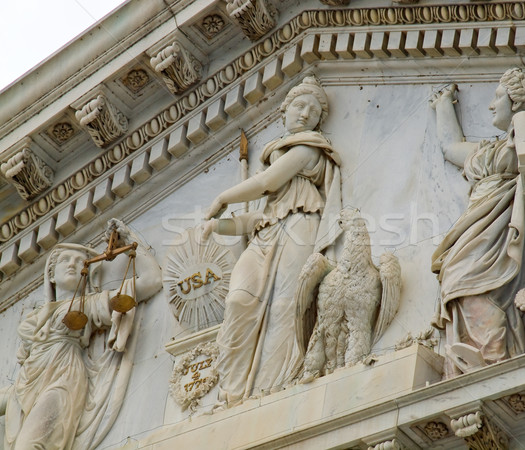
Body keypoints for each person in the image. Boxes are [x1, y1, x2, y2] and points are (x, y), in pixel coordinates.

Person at [429, 68, 525, 377]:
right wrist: (443, 104)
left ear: (516, 102)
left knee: (474, 288)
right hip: (472, 227)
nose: (490, 104)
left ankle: (491, 360)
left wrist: (523, 121)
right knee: (457, 284)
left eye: (498, 96)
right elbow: (449, 148)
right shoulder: (489, 150)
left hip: (502, 230)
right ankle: (476, 357)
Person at [202, 75, 342, 407]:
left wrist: (224, 196)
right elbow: (256, 217)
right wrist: (217, 227)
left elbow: (267, 182)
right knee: (238, 301)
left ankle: (273, 386)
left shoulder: (308, 149)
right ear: (284, 110)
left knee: (284, 305)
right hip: (268, 230)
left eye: (314, 111)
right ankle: (234, 392)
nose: (305, 114)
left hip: (301, 225)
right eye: (299, 106)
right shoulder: (278, 156)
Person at [0, 219, 162, 450]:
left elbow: (152, 281)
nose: (72, 265)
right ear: (51, 275)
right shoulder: (33, 317)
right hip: (26, 384)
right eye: (65, 260)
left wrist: (130, 240)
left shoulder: (85, 306)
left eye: (79, 262)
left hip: (63, 378)